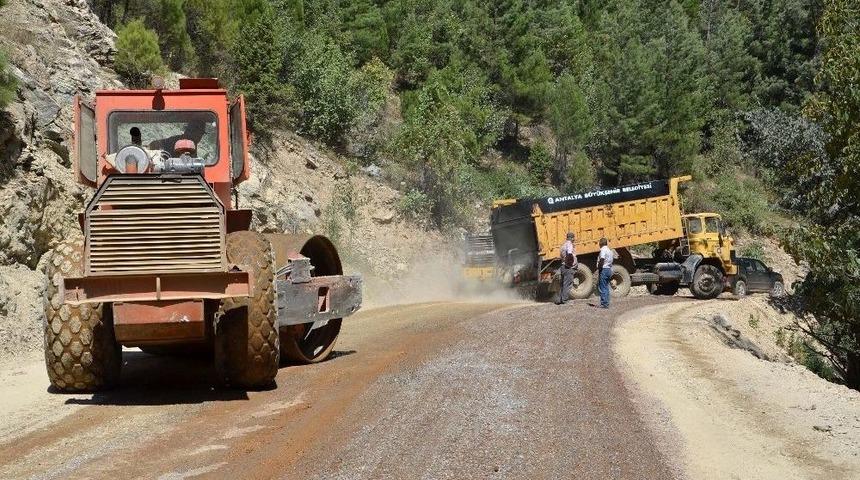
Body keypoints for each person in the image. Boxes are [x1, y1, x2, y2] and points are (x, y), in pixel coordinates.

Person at [555, 232, 577, 305]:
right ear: (572, 238)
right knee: (568, 284)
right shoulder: (569, 245)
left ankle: (560, 299)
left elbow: (562, 256)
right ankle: (565, 300)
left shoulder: (563, 245)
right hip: (567, 267)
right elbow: (570, 254)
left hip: (563, 266)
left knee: (563, 284)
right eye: (574, 238)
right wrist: (569, 265)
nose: (574, 239)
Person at [596, 237, 613, 308]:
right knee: (606, 287)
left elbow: (602, 259)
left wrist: (599, 267)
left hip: (604, 269)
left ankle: (604, 304)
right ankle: (606, 302)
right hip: (609, 269)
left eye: (599, 243)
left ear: (601, 243)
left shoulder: (603, 250)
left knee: (602, 287)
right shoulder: (610, 251)